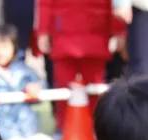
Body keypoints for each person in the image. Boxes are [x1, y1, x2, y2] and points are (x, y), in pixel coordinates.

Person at [36, 0, 120, 128]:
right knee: (63, 92)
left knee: (95, 91)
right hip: (64, 35)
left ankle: (96, 129)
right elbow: (45, 3)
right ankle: (64, 130)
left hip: (95, 35)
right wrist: (43, 31)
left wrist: (118, 30)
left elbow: (116, 3)